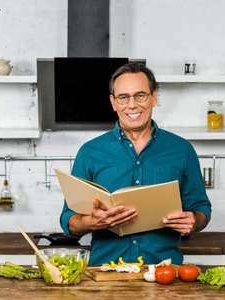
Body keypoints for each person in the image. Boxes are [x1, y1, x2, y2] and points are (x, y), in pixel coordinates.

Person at [59, 62, 211, 266]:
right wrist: (93, 222)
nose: (132, 105)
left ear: (154, 97)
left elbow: (201, 207)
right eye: (123, 97)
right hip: (104, 273)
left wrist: (193, 221)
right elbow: (68, 219)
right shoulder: (90, 153)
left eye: (140, 95)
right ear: (113, 102)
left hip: (164, 272)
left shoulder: (182, 150)